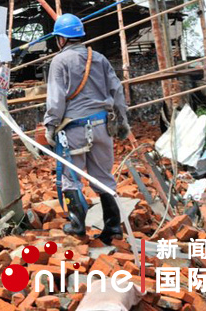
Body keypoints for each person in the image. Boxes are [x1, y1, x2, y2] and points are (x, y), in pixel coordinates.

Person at [43, 13, 131, 244]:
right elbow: (117, 90)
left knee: (72, 177)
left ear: (61, 39)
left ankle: (77, 223)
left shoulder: (59, 61)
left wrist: (50, 125)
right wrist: (122, 121)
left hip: (74, 130)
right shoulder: (99, 58)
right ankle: (113, 227)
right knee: (103, 177)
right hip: (102, 126)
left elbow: (56, 99)